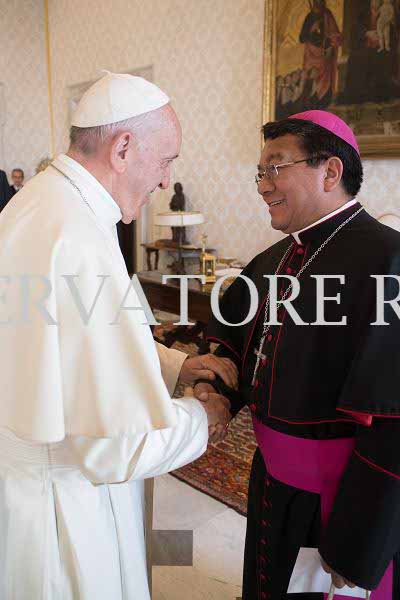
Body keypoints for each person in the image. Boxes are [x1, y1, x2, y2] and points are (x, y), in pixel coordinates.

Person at [0, 72, 236, 599]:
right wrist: (201, 419)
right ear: (124, 148)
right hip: (64, 506)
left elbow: (68, 336)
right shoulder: (79, 234)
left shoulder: (43, 202)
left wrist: (175, 365)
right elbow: (115, 447)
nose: (165, 180)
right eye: (166, 160)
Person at [195, 109, 400, 598]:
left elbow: (394, 422)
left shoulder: (389, 261)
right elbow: (232, 344)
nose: (262, 186)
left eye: (275, 167)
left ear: (330, 171)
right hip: (273, 485)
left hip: (344, 501)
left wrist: (360, 540)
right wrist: (214, 389)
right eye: (259, 172)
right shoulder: (272, 260)